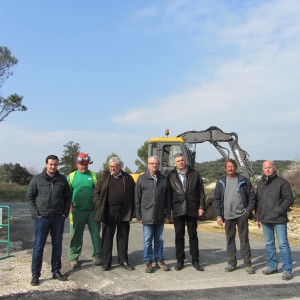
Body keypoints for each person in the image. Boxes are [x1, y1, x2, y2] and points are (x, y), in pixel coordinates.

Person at [27, 155, 71, 286]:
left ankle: (56, 271)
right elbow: (30, 198)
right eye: (51, 164)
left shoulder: (62, 180)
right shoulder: (37, 179)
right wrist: (36, 214)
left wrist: (64, 213)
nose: (53, 167)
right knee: (38, 247)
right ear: (46, 164)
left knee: (57, 246)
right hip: (42, 218)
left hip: (58, 218)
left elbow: (68, 197)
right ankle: (35, 275)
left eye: (55, 164)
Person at [213, 159, 256, 274]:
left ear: (235, 167)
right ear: (225, 168)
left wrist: (248, 211)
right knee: (230, 240)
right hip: (227, 216)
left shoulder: (243, 180)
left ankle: (248, 264)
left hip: (242, 215)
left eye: (232, 166)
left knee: (244, 240)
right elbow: (216, 200)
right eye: (228, 166)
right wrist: (218, 215)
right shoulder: (221, 181)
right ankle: (232, 263)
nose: (230, 168)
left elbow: (252, 196)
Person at [93, 156, 135, 271]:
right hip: (108, 211)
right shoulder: (104, 177)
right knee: (107, 237)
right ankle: (106, 262)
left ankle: (123, 260)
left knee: (123, 237)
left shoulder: (127, 177)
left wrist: (133, 210)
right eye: (111, 166)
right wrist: (98, 205)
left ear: (120, 166)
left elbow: (133, 194)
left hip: (124, 211)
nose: (113, 168)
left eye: (115, 166)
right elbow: (96, 192)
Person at [256, 160, 294, 280]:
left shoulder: (282, 182)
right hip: (265, 220)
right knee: (269, 244)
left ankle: (287, 269)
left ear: (274, 168)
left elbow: (289, 199)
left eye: (269, 167)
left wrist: (278, 210)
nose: (267, 169)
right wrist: (257, 217)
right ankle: (272, 265)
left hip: (279, 219)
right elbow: (259, 201)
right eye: (265, 168)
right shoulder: (260, 183)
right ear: (263, 169)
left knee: (283, 244)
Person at [167, 153, 205, 271]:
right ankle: (180, 260)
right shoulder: (170, 176)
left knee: (193, 235)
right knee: (179, 236)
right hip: (178, 208)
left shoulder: (195, 173)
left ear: (186, 161)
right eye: (178, 161)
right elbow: (168, 195)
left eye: (182, 160)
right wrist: (169, 212)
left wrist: (201, 207)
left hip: (192, 208)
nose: (181, 162)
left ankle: (195, 260)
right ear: (175, 163)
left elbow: (201, 192)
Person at [135, 156, 171, 273]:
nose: (154, 165)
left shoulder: (164, 179)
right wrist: (138, 215)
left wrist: (168, 214)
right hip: (147, 214)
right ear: (148, 165)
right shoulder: (142, 179)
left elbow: (168, 198)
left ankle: (160, 260)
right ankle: (148, 261)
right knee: (147, 239)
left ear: (159, 165)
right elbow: (137, 198)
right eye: (152, 163)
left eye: (156, 163)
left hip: (160, 214)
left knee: (159, 239)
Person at [67, 152, 102, 269]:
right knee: (75, 235)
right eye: (81, 164)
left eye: (86, 164)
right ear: (77, 164)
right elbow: (66, 194)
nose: (84, 167)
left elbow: (100, 193)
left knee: (96, 234)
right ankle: (73, 257)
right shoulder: (71, 177)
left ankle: (97, 255)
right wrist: (69, 209)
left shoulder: (94, 176)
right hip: (77, 211)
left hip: (92, 211)